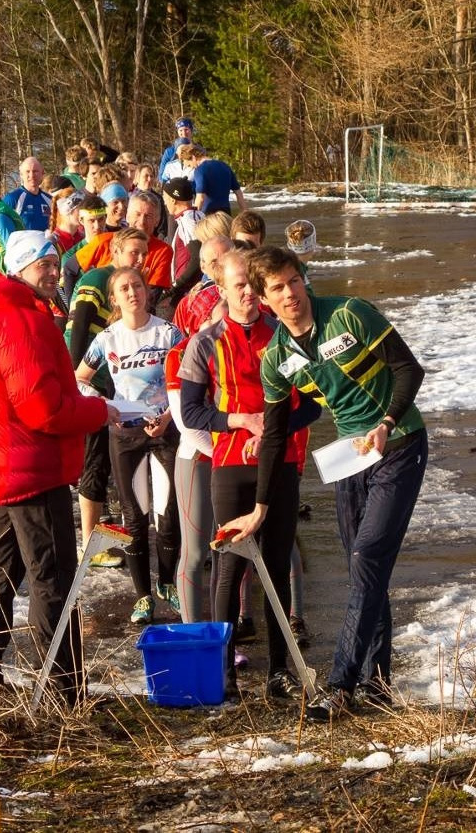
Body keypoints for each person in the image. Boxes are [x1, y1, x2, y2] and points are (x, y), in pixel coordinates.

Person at [223, 245, 428, 720]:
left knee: (366, 556)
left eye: (294, 281)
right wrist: (260, 508)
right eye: (278, 288)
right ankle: (377, 686)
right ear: (263, 299)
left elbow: (409, 369)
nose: (290, 293)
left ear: (303, 279)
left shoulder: (350, 315)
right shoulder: (276, 358)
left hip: (399, 444)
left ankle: (339, 684)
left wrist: (387, 422)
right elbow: (273, 437)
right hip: (349, 459)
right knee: (366, 569)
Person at [0, 230, 117, 704]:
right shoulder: (20, 322)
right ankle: (65, 692)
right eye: (41, 264)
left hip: (1, 468)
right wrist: (98, 411)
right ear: (18, 271)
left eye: (54, 262)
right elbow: (43, 410)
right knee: (52, 580)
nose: (52, 271)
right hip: (29, 470)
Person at [179, 250, 319, 697]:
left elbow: (312, 404)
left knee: (276, 565)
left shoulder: (282, 338)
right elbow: (191, 411)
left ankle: (279, 673)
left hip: (280, 464)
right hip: (230, 465)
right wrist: (239, 421)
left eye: (251, 285)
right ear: (221, 289)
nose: (246, 293)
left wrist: (275, 433)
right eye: (237, 285)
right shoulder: (205, 343)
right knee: (228, 568)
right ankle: (225, 675)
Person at [76, 268, 183, 625]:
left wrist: (168, 416)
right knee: (133, 517)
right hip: (125, 435)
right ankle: (143, 596)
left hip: (165, 430)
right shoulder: (108, 339)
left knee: (168, 515)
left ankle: (167, 582)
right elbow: (79, 379)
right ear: (115, 299)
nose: (133, 292)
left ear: (147, 291)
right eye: (124, 288)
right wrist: (106, 408)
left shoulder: (168, 333)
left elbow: (189, 380)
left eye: (137, 285)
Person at [65, 228, 150, 567]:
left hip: (109, 384)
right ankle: (89, 544)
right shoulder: (98, 278)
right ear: (115, 250)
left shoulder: (131, 285)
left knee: (106, 460)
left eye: (143, 253)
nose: (140, 259)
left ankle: (99, 530)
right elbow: (79, 327)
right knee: (95, 462)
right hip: (90, 384)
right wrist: (78, 385)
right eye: (133, 252)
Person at [165, 284, 226, 623]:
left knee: (225, 552)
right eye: (222, 308)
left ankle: (221, 634)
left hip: (231, 458)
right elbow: (187, 423)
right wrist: (224, 452)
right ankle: (192, 633)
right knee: (195, 551)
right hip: (198, 458)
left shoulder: (234, 346)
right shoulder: (180, 353)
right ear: (205, 317)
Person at [161, 177, 205, 307]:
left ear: (173, 199)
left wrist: (175, 286)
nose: (164, 201)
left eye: (165, 197)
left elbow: (197, 258)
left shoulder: (188, 221)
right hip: (192, 288)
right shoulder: (199, 215)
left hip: (186, 291)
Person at [183, 145, 247, 215]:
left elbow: (200, 198)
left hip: (209, 214)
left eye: (189, 164)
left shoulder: (200, 170)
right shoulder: (225, 166)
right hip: (226, 213)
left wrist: (194, 216)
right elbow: (239, 193)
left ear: (193, 157)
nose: (192, 167)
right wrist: (245, 213)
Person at [3, 156, 52, 231]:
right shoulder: (12, 199)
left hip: (46, 242)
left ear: (42, 173)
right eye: (27, 171)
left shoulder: (50, 200)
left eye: (35, 171)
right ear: (21, 175)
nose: (32, 175)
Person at [158, 117, 195, 182]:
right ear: (177, 132)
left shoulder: (197, 150)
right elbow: (161, 176)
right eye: (180, 130)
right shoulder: (170, 152)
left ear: (191, 130)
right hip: (173, 189)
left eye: (186, 129)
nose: (183, 133)